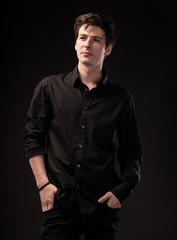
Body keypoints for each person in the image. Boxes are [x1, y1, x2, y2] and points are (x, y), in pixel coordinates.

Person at [25, 12, 142, 240]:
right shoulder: (49, 87)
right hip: (59, 202)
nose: (87, 44)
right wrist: (43, 186)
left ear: (107, 49)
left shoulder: (121, 98)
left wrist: (121, 192)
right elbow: (33, 139)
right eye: (83, 37)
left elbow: (132, 152)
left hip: (102, 206)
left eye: (96, 39)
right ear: (76, 42)